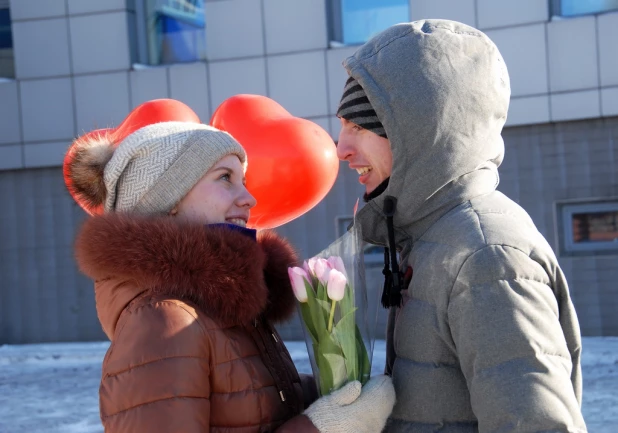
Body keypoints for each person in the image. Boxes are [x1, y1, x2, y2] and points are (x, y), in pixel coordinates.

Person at [334, 19, 587, 432]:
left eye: (358, 127)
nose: (341, 149)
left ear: (423, 132)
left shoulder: (486, 256)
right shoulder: (432, 237)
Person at [64, 121, 395, 433]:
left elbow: (248, 405)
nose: (248, 199)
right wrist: (320, 427)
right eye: (225, 177)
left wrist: (335, 390)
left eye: (244, 181)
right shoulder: (163, 319)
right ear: (168, 198)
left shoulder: (217, 304)